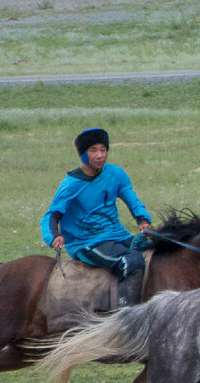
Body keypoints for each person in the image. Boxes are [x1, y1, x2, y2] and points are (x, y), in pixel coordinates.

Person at [40, 127, 153, 307]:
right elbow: (51, 215)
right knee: (131, 260)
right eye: (93, 150)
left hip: (118, 236)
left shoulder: (116, 174)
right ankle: (125, 314)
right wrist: (53, 236)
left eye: (103, 150)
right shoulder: (71, 184)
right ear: (83, 155)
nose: (100, 155)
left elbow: (133, 200)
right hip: (87, 242)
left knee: (159, 249)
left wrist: (143, 220)